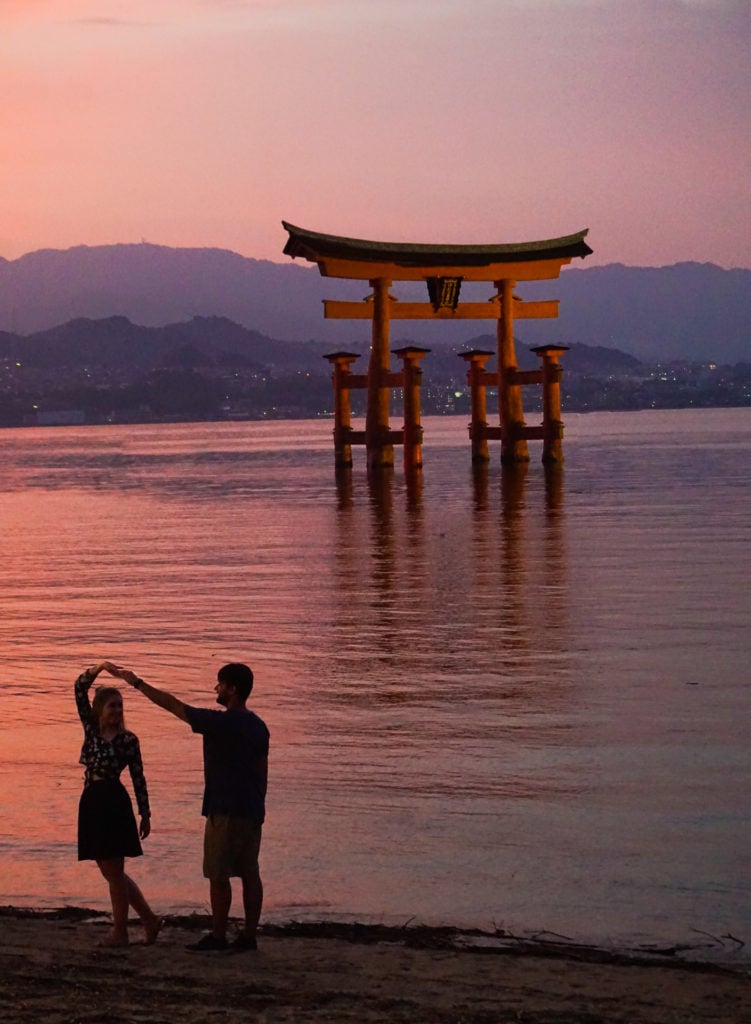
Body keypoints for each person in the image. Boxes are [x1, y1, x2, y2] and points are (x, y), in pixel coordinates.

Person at [112, 661, 269, 954]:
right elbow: (263, 769)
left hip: (226, 809)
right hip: (251, 809)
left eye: (220, 684)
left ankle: (219, 936)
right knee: (250, 873)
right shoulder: (258, 726)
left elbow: (173, 706)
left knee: (218, 875)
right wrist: (260, 804)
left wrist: (137, 683)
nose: (216, 688)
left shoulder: (221, 723)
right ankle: (248, 936)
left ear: (232, 689)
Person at [75, 661, 161, 947]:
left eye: (120, 706)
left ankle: (120, 932)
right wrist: (100, 667)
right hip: (91, 800)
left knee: (113, 872)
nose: (117, 711)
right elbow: (79, 687)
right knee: (112, 872)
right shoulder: (92, 730)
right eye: (112, 706)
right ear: (99, 709)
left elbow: (139, 778)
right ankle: (148, 919)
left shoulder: (128, 740)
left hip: (113, 802)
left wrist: (145, 813)